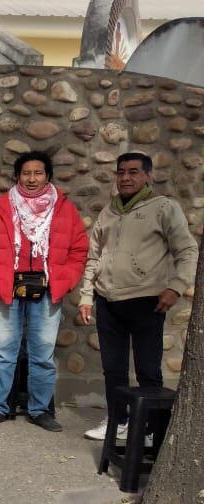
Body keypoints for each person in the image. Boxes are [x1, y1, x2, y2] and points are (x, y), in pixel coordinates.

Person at [78, 152, 199, 441]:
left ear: (147, 175)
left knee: (148, 369)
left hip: (147, 301)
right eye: (121, 172)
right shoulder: (109, 211)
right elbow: (93, 257)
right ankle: (118, 420)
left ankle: (150, 429)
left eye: (133, 172)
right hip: (108, 302)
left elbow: (187, 250)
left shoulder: (164, 208)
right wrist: (86, 296)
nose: (126, 178)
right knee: (113, 368)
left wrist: (176, 287)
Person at [0, 151, 88, 432]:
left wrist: (65, 279)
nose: (31, 178)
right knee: (4, 351)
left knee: (42, 353)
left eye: (38, 173)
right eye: (26, 173)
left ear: (48, 176)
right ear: (17, 176)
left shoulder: (64, 209)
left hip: (48, 290)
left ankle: (40, 410)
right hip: (7, 288)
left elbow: (79, 249)